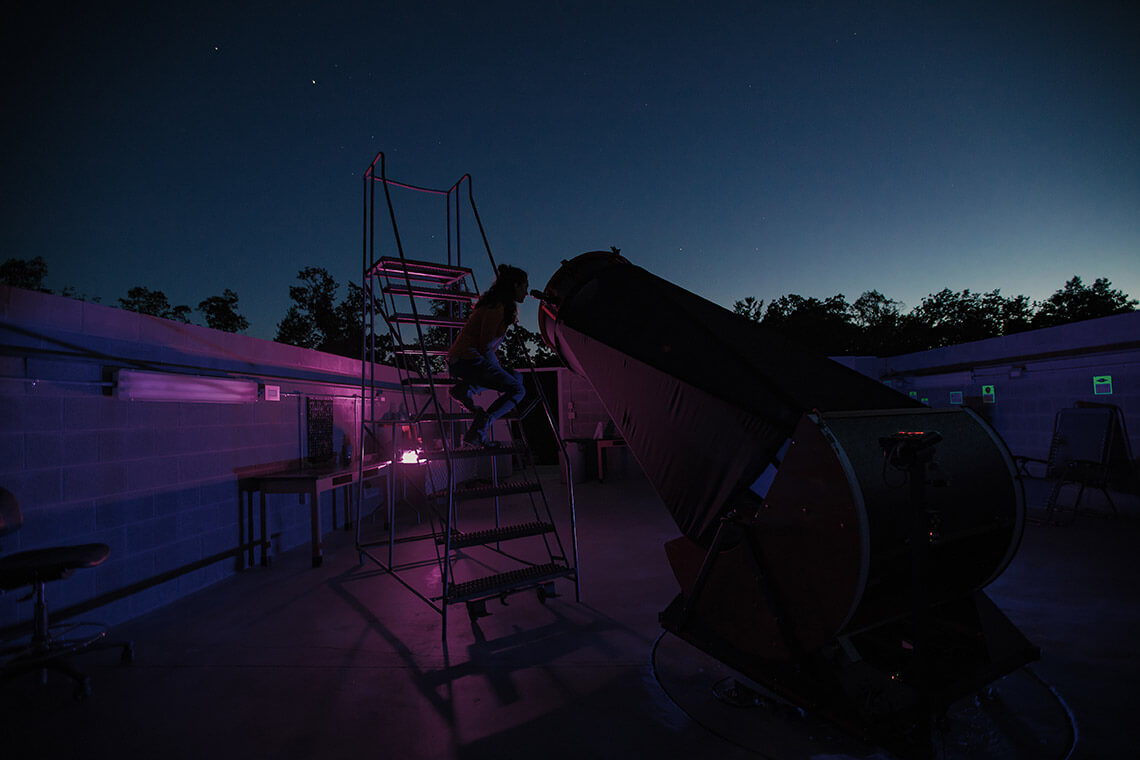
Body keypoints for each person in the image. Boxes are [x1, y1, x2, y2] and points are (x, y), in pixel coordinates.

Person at [447, 264, 529, 446]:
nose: (527, 291)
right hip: (465, 361)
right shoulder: (496, 307)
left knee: (516, 377)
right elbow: (484, 345)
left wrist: (497, 367)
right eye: (525, 286)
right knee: (517, 389)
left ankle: (466, 390)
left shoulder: (499, 306)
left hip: (468, 360)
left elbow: (487, 347)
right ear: (515, 286)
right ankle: (480, 428)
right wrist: (496, 367)